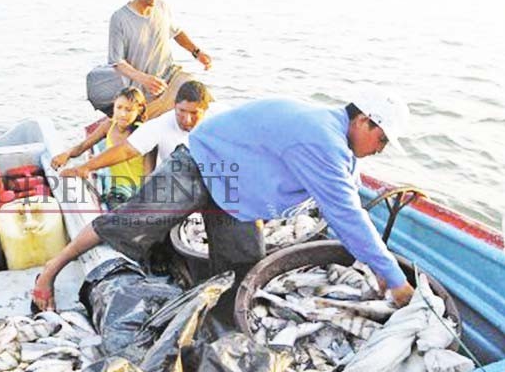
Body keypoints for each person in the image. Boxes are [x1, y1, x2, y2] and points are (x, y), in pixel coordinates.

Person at [32, 87, 415, 312]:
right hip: (199, 165)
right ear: (363, 120)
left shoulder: (337, 140)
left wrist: (380, 266)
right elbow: (346, 214)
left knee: (244, 270)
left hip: (235, 192)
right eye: (381, 140)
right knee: (126, 223)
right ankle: (50, 271)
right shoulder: (322, 138)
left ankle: (218, 320)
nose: (380, 149)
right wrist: (395, 278)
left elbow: (347, 193)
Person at [109, 0, 213, 120]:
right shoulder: (119, 18)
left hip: (171, 76)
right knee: (141, 123)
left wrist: (197, 52)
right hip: (143, 90)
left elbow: (176, 32)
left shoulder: (162, 7)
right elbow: (116, 62)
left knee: (201, 96)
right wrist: (144, 79)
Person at [60, 80, 212, 181]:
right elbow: (125, 151)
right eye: (181, 111)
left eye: (194, 113)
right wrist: (84, 167)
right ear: (174, 106)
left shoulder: (218, 122)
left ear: (206, 110)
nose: (187, 120)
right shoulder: (159, 125)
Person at [51, 87, 151, 202]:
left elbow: (149, 174)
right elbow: (82, 147)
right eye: (119, 107)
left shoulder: (143, 134)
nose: (122, 114)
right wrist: (66, 153)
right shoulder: (109, 126)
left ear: (139, 111)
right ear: (113, 107)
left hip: (133, 190)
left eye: (129, 110)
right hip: (113, 186)